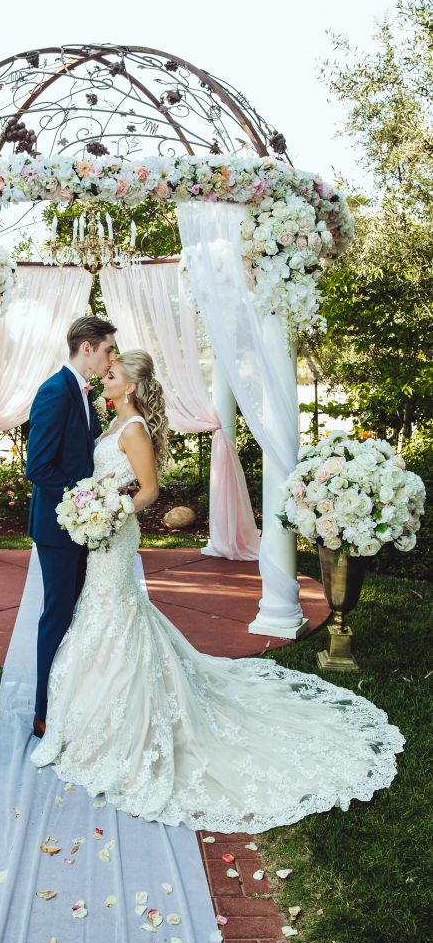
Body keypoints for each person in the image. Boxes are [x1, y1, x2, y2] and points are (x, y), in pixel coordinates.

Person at [30, 350, 405, 833]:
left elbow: (148, 489)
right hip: (99, 534)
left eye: (114, 374)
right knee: (100, 612)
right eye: (108, 370)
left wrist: (109, 511)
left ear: (132, 387)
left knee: (115, 610)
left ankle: (125, 726)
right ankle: (83, 722)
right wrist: (93, 503)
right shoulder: (110, 424)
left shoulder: (135, 429)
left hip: (114, 535)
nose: (106, 376)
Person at [25, 315, 117, 739]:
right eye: (107, 350)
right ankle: (44, 711)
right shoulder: (54, 392)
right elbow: (39, 468)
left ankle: (72, 698)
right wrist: (89, 500)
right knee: (57, 615)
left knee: (78, 614)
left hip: (81, 525)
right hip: (58, 528)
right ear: (87, 348)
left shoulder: (82, 392)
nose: (110, 357)